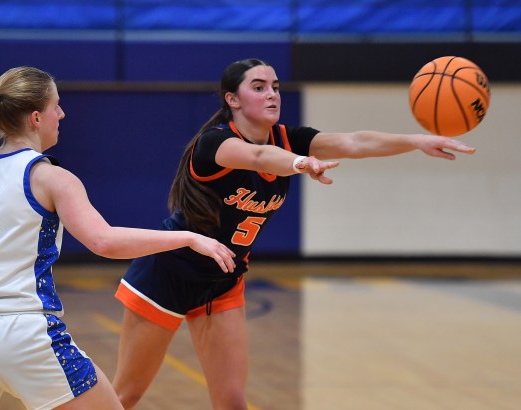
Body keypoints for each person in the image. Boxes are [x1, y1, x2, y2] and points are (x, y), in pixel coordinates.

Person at [111, 58, 477, 409]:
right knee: (125, 397)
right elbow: (256, 158)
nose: (272, 94)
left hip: (222, 280)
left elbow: (354, 142)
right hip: (168, 272)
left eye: (275, 86)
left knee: (233, 403)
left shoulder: (289, 138)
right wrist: (300, 163)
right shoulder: (215, 142)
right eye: (259, 87)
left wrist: (414, 140)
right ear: (232, 100)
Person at [0, 66, 236, 410]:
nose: (62, 114)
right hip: (23, 333)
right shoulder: (49, 176)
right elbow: (104, 241)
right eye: (56, 106)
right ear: (36, 118)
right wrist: (186, 237)